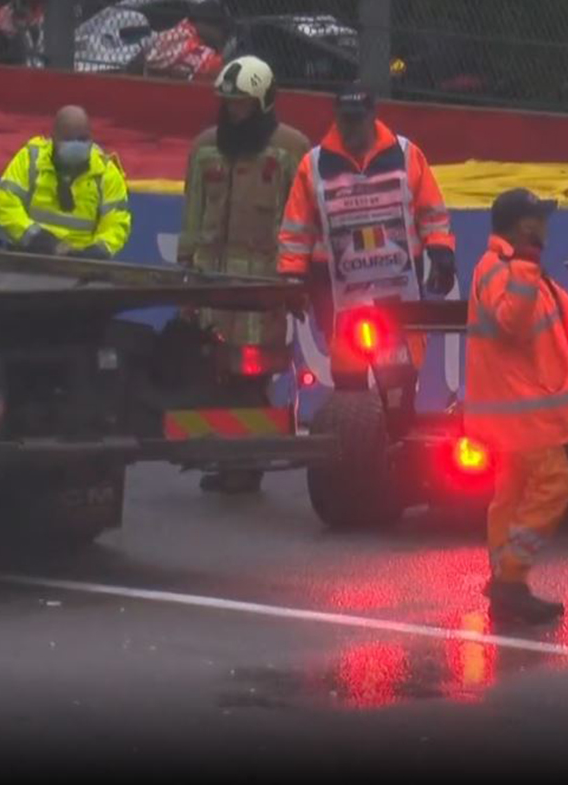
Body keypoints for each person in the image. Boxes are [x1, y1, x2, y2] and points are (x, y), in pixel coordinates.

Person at [464, 188, 568, 624]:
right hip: (522, 414)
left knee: (512, 494)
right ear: (524, 226)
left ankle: (508, 583)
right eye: (540, 218)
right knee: (554, 485)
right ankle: (510, 578)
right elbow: (512, 322)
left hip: (520, 411)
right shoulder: (504, 269)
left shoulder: (505, 267)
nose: (546, 225)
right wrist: (526, 266)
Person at [179, 55, 310, 495]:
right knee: (215, 370)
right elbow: (193, 213)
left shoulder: (292, 150)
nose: (234, 113)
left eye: (243, 105)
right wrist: (186, 273)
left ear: (264, 103)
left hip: (263, 289)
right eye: (228, 104)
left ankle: (245, 462)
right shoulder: (204, 149)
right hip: (212, 286)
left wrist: (298, 280)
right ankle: (233, 458)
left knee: (253, 375)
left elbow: (304, 219)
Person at [277, 83, 456, 382]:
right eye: (345, 119)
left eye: (357, 119)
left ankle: (398, 419)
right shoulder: (315, 164)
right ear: (336, 117)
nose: (351, 128)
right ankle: (354, 420)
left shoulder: (406, 154)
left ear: (372, 115)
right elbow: (297, 228)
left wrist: (441, 250)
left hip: (398, 283)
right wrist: (292, 277)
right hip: (336, 286)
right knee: (349, 376)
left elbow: (432, 212)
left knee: (399, 373)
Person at [0, 105, 131, 259]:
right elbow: (6, 205)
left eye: (82, 139)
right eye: (69, 139)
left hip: (82, 264)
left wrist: (96, 252)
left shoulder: (106, 173)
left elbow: (116, 225)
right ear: (54, 137)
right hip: (30, 256)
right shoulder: (30, 158)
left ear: (91, 138)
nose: (76, 144)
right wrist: (40, 241)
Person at [134, 0, 231, 82]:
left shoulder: (185, 31)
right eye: (219, 29)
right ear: (203, 23)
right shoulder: (183, 36)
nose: (221, 34)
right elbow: (215, 68)